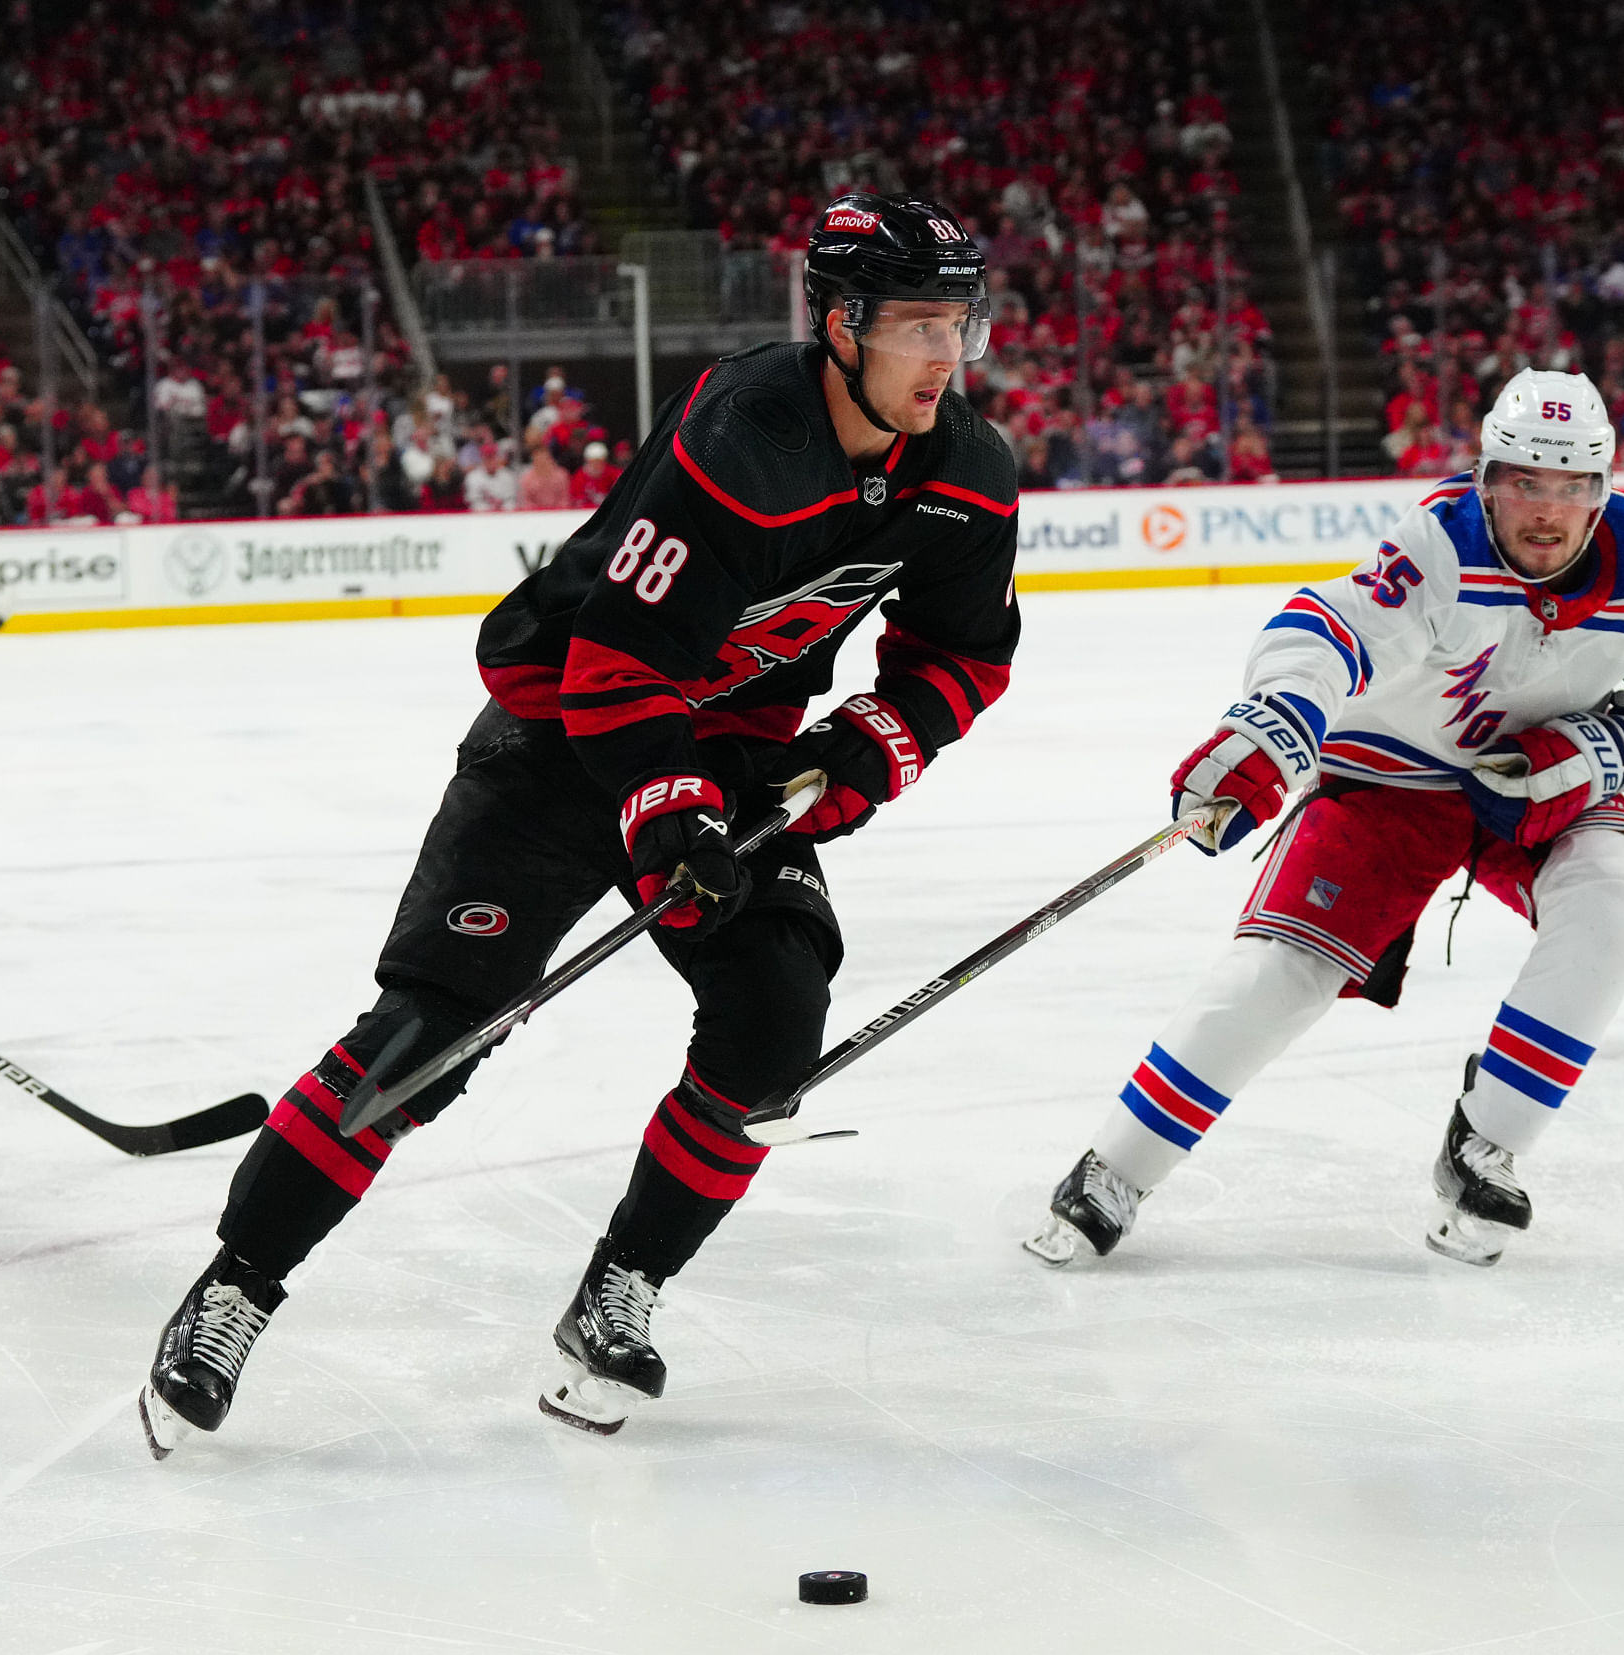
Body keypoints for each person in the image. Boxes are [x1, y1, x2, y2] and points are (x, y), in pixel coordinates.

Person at [139, 192, 1020, 1454]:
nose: (948, 356)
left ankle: (623, 1284)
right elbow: (618, 656)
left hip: (739, 755)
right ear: (839, 322)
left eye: (962, 325)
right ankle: (235, 1286)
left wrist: (860, 751)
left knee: (775, 1021)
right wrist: (668, 818)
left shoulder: (966, 475)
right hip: (565, 742)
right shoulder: (742, 434)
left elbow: (961, 656)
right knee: (426, 1036)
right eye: (921, 326)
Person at [1026, 369, 1624, 1271]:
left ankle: (1489, 1141)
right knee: (1280, 972)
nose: (1546, 510)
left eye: (1570, 487)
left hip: (1536, 780)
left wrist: (1593, 755)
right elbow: (1329, 627)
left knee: (1612, 896)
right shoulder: (1441, 542)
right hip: (1385, 776)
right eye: (1523, 481)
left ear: (1602, 489)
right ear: (1486, 479)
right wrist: (1276, 718)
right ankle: (1116, 1167)